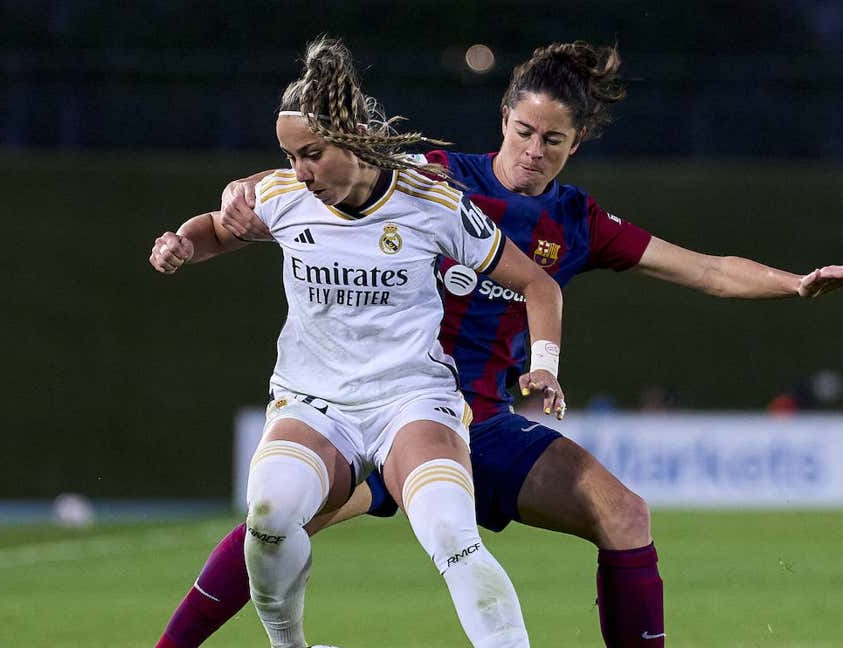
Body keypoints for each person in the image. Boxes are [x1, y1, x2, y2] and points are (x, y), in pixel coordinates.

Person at [155, 41, 843, 648]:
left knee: (622, 513)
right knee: (273, 525)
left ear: (575, 144)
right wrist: (236, 192)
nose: (533, 152)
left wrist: (794, 282)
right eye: (524, 131)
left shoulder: (577, 219)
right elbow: (319, 172)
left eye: (553, 140)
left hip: (472, 424)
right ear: (503, 119)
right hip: (373, 408)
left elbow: (708, 270)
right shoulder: (435, 178)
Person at [150, 37, 570, 648]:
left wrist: (545, 366)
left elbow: (539, 283)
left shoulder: (430, 203)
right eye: (290, 156)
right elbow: (218, 228)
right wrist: (184, 245)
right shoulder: (284, 196)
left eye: (312, 154)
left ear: (350, 140)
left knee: (452, 534)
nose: (299, 171)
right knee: (268, 516)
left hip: (410, 400)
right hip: (314, 403)